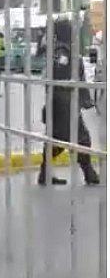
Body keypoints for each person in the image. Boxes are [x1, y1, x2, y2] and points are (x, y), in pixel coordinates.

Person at [39, 18, 100, 186]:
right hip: (64, 103)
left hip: (62, 102)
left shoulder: (61, 50)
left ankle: (44, 173)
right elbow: (60, 73)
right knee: (81, 138)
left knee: (57, 139)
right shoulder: (62, 51)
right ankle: (89, 173)